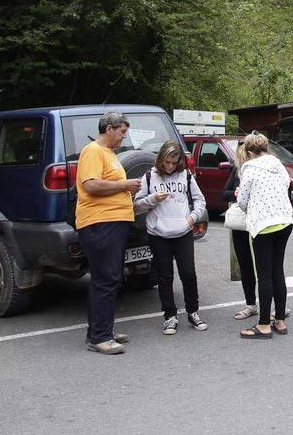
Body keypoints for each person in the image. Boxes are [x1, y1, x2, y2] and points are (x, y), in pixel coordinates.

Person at [75, 111, 140, 355]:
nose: (124, 136)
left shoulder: (109, 154)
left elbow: (107, 186)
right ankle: (100, 338)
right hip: (100, 223)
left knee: (108, 278)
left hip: (114, 222)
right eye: (122, 131)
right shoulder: (93, 151)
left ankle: (101, 330)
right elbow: (90, 184)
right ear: (109, 128)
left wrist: (126, 191)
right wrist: (125, 185)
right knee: (106, 278)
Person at [133, 140, 208, 335]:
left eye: (174, 163)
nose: (170, 166)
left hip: (182, 231)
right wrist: (152, 199)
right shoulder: (149, 176)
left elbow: (200, 200)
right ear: (161, 159)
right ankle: (169, 316)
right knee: (164, 276)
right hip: (158, 233)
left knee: (188, 273)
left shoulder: (186, 176)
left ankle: (193, 311)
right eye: (167, 162)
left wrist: (192, 218)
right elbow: (136, 205)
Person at [235, 133, 293, 340]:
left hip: (263, 224)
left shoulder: (248, 169)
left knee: (264, 274)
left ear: (250, 151)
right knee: (278, 271)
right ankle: (279, 320)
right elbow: (286, 186)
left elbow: (242, 201)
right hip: (285, 220)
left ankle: (263, 324)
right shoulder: (278, 164)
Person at [221, 159, 257, 321]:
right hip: (241, 224)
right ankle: (250, 304)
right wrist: (235, 193)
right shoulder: (237, 169)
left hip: (259, 222)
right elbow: (224, 193)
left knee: (264, 266)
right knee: (245, 265)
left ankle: (273, 304)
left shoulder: (261, 169)